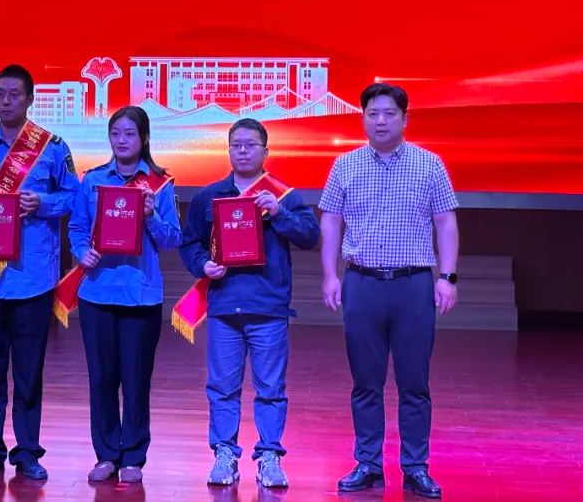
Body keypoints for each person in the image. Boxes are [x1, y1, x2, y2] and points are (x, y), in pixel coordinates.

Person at [319, 82, 460, 500]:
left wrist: (447, 277)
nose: (380, 121)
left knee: (415, 382)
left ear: (404, 119)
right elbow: (330, 221)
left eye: (389, 114)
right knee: (366, 381)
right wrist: (330, 275)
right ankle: (368, 463)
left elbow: (446, 221)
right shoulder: (344, 165)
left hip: (413, 285)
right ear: (363, 119)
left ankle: (416, 467)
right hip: (361, 283)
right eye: (372, 114)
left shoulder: (429, 164)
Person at [179, 118, 319, 488]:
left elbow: (310, 235)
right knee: (222, 388)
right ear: (228, 150)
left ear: (265, 151)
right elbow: (190, 243)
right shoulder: (210, 195)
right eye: (236, 145)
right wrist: (202, 264)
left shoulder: (282, 195)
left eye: (250, 145)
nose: (242, 151)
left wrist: (280, 213)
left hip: (268, 308)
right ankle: (225, 454)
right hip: (225, 307)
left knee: (270, 389)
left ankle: (269, 456)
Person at [0, 64, 80, 481]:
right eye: (0, 94)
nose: (6, 101)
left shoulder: (52, 148)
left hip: (33, 279)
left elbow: (74, 197)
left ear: (30, 99)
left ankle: (27, 452)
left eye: (14, 94)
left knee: (28, 372)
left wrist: (42, 203)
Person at [68, 106, 181, 484]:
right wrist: (81, 252)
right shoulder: (93, 180)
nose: (121, 140)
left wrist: (151, 215)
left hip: (140, 295)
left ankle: (133, 455)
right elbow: (77, 227)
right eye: (115, 133)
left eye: (129, 134)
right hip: (97, 293)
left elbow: (172, 240)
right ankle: (106, 454)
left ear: (144, 138)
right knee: (101, 378)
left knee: (135, 379)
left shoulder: (160, 184)